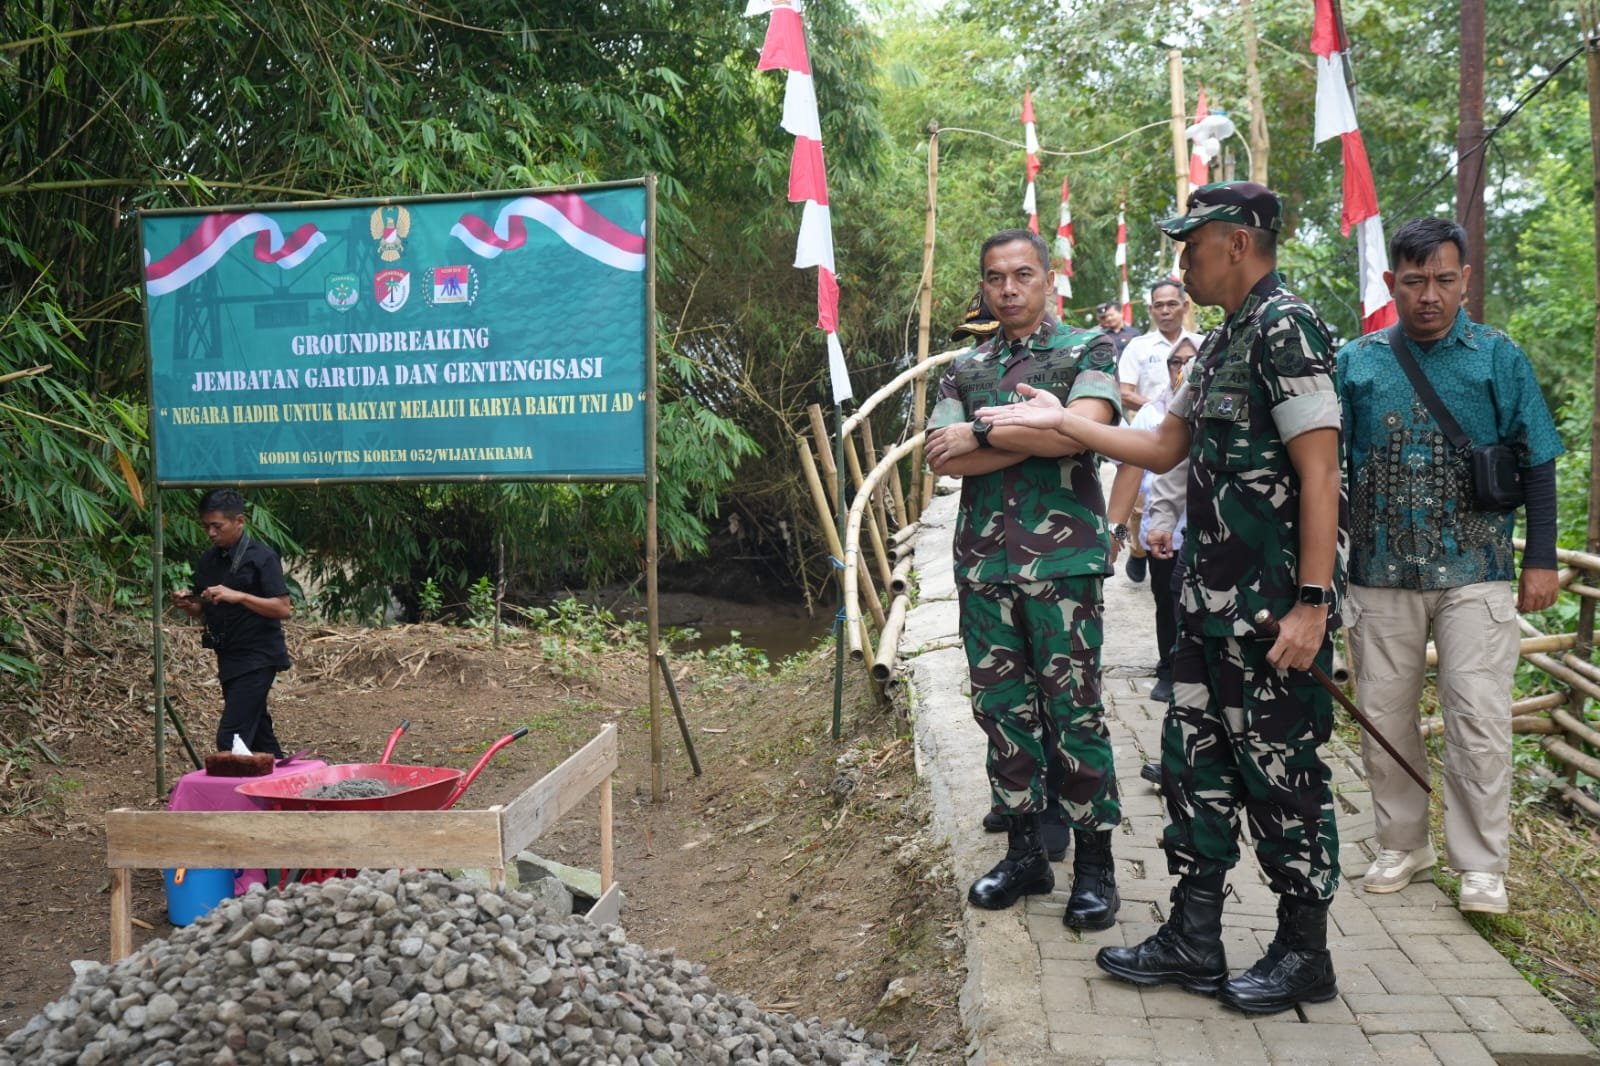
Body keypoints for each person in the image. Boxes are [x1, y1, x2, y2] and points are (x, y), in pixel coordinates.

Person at [976, 181, 1348, 1015]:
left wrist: (1314, 604)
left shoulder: (1286, 328)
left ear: (1239, 243)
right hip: (1207, 609)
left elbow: (1321, 469)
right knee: (1195, 771)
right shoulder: (1221, 343)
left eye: (1193, 244)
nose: (1182, 260)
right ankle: (1194, 934)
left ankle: (1304, 951)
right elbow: (1162, 441)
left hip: (1271, 613)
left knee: (1282, 778)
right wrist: (1065, 421)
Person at [1337, 217, 1563, 915]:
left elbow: (1539, 457)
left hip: (1479, 566)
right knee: (1384, 714)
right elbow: (1323, 464)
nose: (1428, 295)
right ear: (1390, 284)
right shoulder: (1358, 361)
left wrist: (1544, 560)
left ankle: (1482, 864)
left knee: (1478, 716)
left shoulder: (1498, 356)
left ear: (1464, 280)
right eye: (1413, 282)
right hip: (1378, 572)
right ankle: (1403, 842)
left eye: (1442, 280)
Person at [924, 228, 1123, 930]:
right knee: (1001, 710)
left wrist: (984, 433)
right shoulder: (964, 367)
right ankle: (1025, 852)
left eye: (1022, 275)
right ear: (982, 285)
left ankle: (1095, 863)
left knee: (1074, 712)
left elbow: (1087, 429)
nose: (1008, 289)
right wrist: (1031, 431)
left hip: (1063, 566)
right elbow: (943, 457)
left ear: (1049, 280)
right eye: (994, 277)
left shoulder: (1088, 350)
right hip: (985, 564)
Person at [1105, 336, 1198, 706]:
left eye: (1189, 361)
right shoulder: (1151, 414)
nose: (1182, 369)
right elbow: (1134, 468)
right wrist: (1123, 526)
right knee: (1166, 600)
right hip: (1163, 528)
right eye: (1176, 363)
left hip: (1204, 530)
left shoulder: (1209, 404)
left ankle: (1191, 674)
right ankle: (1167, 667)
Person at [169, 488, 293, 757]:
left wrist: (239, 596)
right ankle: (286, 787)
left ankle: (230, 796)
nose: (211, 533)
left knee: (231, 736)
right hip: (228, 656)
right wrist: (188, 604)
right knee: (260, 735)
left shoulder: (262, 556)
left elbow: (283, 608)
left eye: (217, 526)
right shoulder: (208, 559)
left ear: (239, 521)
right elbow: (201, 609)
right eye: (206, 527)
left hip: (259, 657)